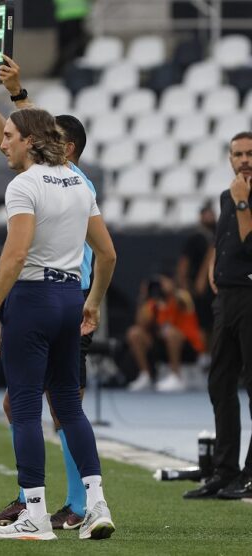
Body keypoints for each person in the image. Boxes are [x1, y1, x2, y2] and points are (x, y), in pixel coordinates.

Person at [0, 55, 99, 531]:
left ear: (65, 145)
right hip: (70, 299)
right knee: (46, 403)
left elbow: (23, 138)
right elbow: (15, 138)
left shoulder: (61, 180)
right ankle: (39, 498)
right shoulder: (70, 183)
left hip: (43, 297)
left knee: (46, 407)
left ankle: (71, 503)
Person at [0, 107, 117, 541]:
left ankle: (34, 514)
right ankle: (96, 504)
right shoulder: (78, 181)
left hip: (32, 299)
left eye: (8, 135)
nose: (2, 143)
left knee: (23, 408)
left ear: (29, 140)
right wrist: (92, 301)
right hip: (70, 298)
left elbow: (16, 255)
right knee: (70, 408)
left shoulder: (24, 184)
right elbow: (108, 254)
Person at [184, 131, 252, 500]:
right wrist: (213, 265)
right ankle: (226, 472)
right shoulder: (229, 195)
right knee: (220, 384)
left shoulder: (239, 198)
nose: (244, 160)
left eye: (250, 154)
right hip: (226, 299)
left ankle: (251, 474)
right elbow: (225, 239)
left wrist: (243, 205)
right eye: (237, 154)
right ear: (229, 159)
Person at [126, 271, 206, 392]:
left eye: (163, 282)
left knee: (171, 333)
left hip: (188, 346)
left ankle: (176, 376)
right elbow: (140, 323)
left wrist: (172, 291)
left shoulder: (182, 296)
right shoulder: (154, 302)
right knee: (134, 333)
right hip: (162, 345)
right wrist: (144, 296)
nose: (161, 286)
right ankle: (145, 375)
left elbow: (185, 304)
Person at [176, 203, 216, 341]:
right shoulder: (196, 238)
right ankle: (202, 354)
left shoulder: (218, 235)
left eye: (212, 214)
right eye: (207, 214)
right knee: (202, 322)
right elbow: (184, 262)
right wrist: (184, 284)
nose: (210, 217)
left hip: (216, 284)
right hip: (200, 287)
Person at [50, 0, 91, 76]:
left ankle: (62, 69)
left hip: (66, 14)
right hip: (79, 13)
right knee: (77, 44)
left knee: (67, 45)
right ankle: (74, 68)